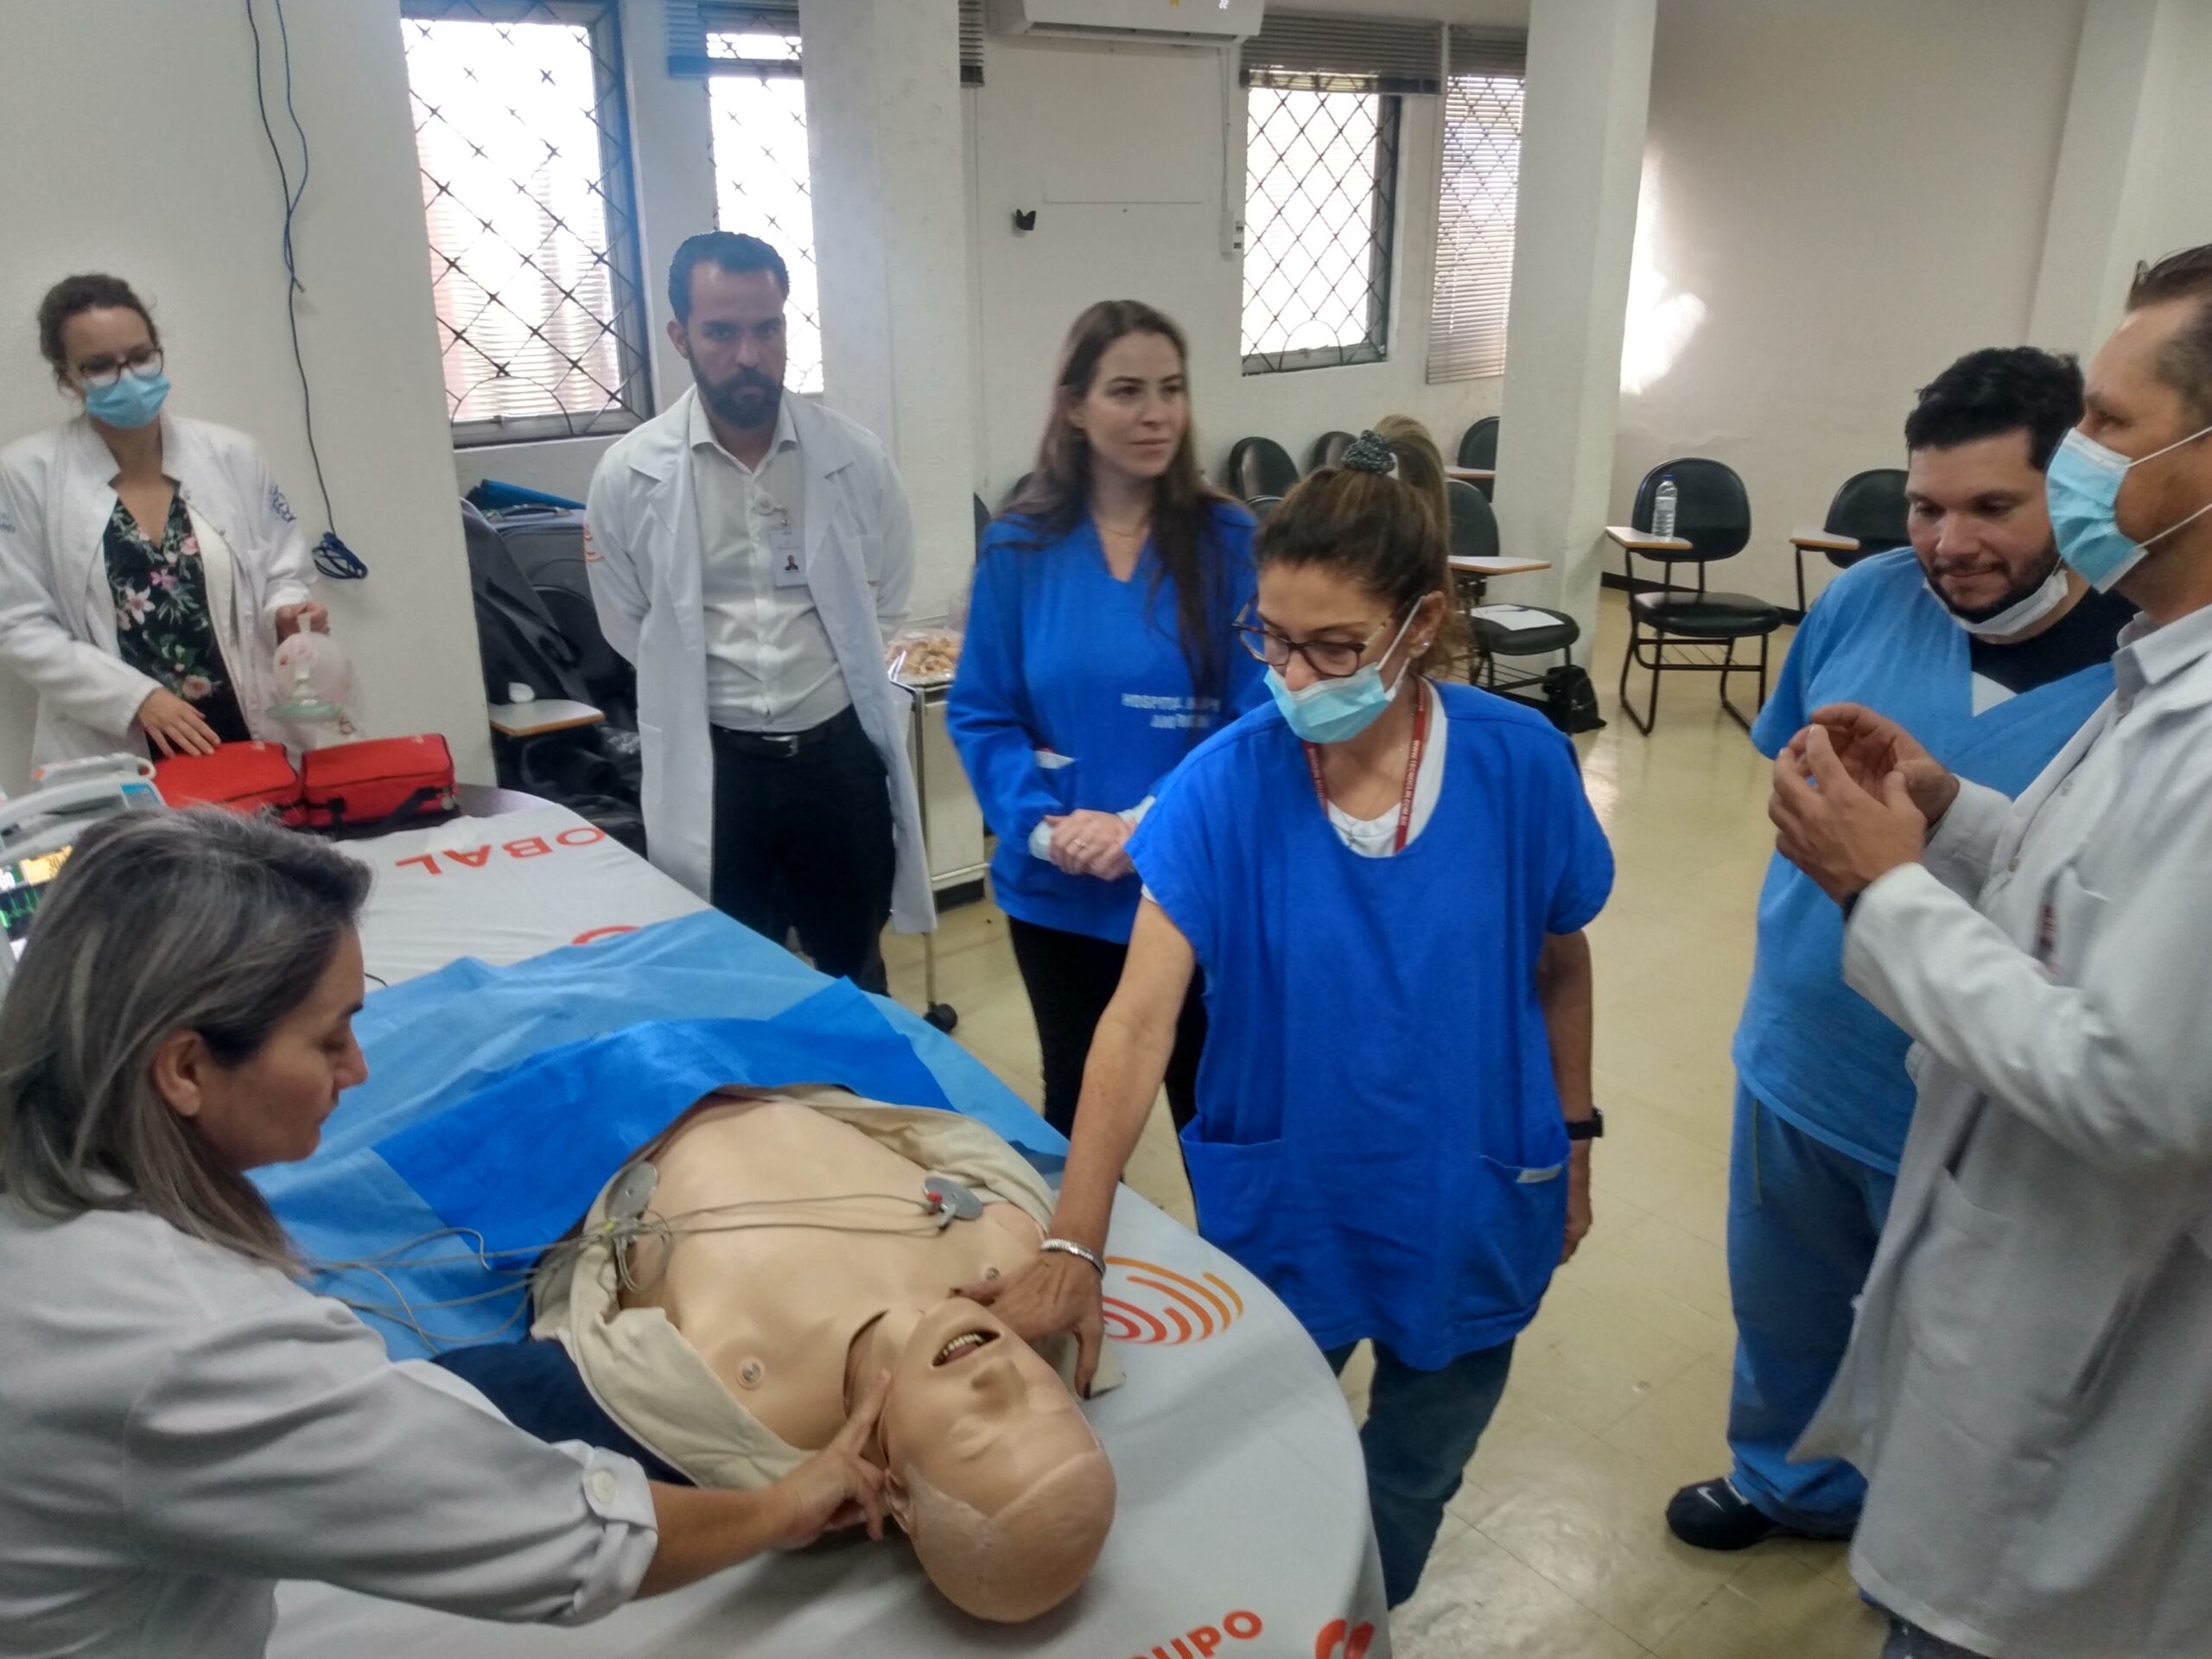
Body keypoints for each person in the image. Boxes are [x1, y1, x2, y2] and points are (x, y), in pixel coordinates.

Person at [968, 423, 1613, 1608]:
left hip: (1468, 1195)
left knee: (1413, 1473)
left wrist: (1574, 1141)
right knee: (1261, 1457)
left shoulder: (1521, 766)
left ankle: (1359, 1617)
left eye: (1335, 647)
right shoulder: (1227, 782)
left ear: (1422, 624)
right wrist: (1074, 1238)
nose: (1298, 679)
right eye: (1275, 641)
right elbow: (1136, 1025)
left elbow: (1559, 966)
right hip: (1295, 1202)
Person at [0, 810, 891, 1658]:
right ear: (186, 1067)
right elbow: (566, 1541)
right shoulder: (191, 1345)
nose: (360, 1066)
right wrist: (786, 1505)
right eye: (330, 1038)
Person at [1767, 244, 2212, 1659]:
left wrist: (1887, 893)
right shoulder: (2165, 665)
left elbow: (2136, 1087)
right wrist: (1952, 815)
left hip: (2071, 1415)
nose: (2084, 451)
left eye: (2107, 423)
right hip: (1947, 1205)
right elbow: (2092, 898)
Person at [1666, 348, 2133, 1551]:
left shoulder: (2142, 683)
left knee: (1965, 1354)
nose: (1947, 543)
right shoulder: (1866, 599)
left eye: (1991, 508)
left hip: (1987, 1095)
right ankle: (1786, 1483)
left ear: (2070, 492)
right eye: (1926, 507)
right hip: (1804, 1047)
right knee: (1788, 1300)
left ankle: (1925, 1537)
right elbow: (1791, 774)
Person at [483, 1088, 1117, 1623]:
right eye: (1045, 1401)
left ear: (897, 1492)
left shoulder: (732, 1413)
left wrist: (591, 1215)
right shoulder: (1023, 1257)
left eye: (981, 1432)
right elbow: (945, 1137)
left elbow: (576, 1337)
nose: (1001, 1377)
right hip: (768, 1064)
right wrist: (1065, 1245)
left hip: (592, 1118)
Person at [948, 301, 1259, 1136]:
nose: (1155, 412)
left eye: (1172, 388)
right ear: (1075, 407)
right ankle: (1076, 1264)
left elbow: (1254, 714)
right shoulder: (1021, 545)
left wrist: (1141, 823)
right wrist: (1047, 832)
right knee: (1079, 1112)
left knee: (1212, 1114)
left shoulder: (1230, 540)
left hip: (1189, 881)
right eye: (1126, 390)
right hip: (1058, 890)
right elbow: (981, 711)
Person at [585, 232, 928, 991]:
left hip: (835, 762)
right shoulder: (629, 475)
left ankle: (863, 1106)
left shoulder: (854, 457)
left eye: (767, 328)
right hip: (717, 770)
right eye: (721, 331)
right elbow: (627, 623)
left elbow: (891, 597)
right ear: (680, 337)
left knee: (855, 968)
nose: (749, 353)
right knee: (737, 976)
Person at [0, 274, 328, 766]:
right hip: (117, 740)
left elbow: (285, 572)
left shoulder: (233, 455)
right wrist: (135, 699)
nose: (127, 377)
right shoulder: (26, 474)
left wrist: (286, 614)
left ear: (158, 352)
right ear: (67, 376)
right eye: (98, 367)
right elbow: (19, 625)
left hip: (244, 730)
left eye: (139, 356)